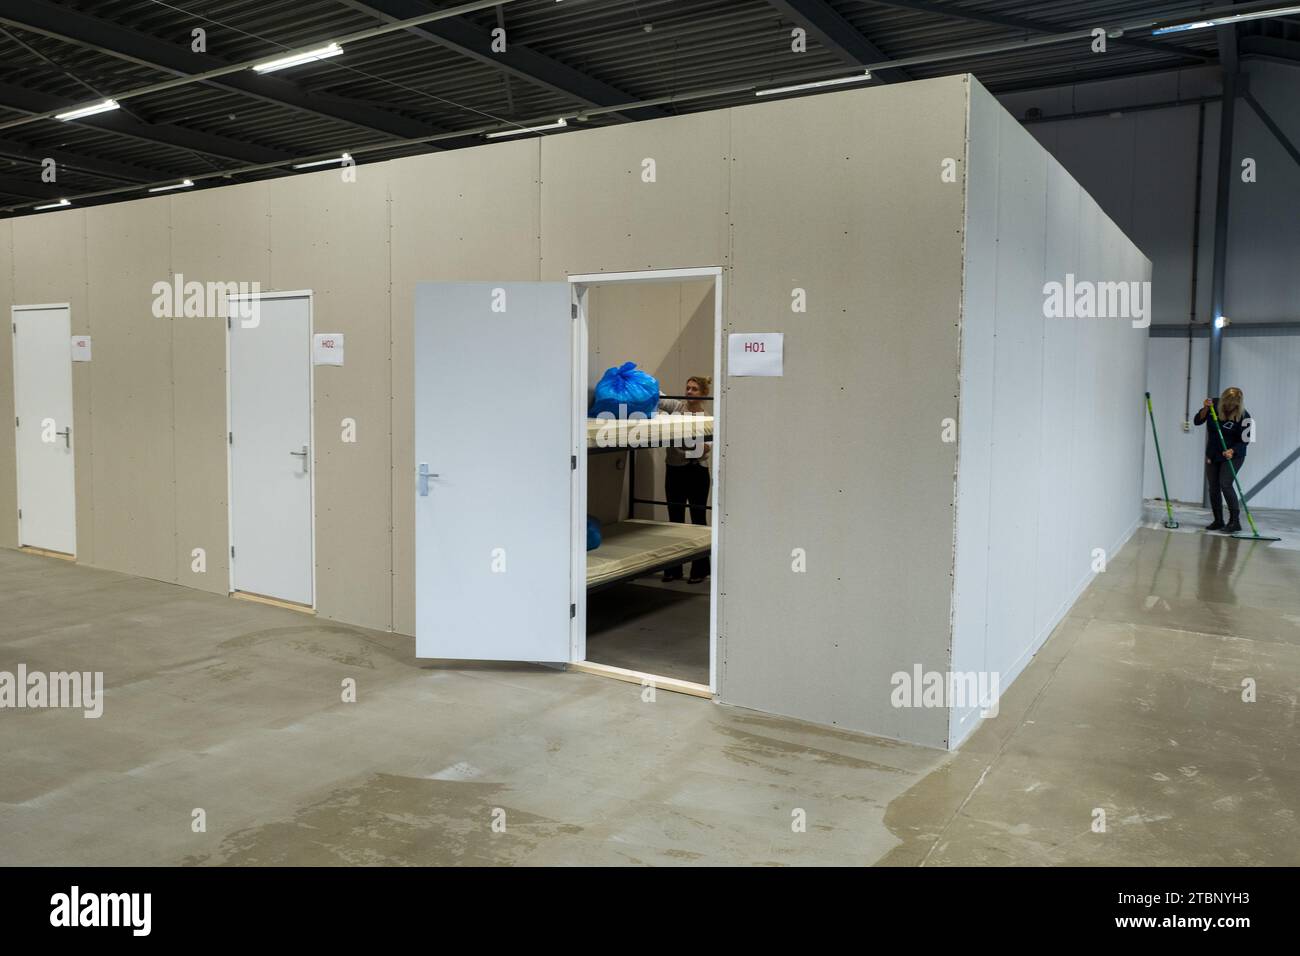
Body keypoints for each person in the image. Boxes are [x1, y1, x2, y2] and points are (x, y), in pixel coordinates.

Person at [658, 376, 712, 583]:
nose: (689, 391)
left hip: (698, 472)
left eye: (694, 389)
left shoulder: (707, 418)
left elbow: (704, 451)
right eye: (687, 387)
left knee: (698, 519)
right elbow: (659, 398)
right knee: (675, 519)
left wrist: (690, 447)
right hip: (675, 471)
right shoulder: (677, 407)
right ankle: (674, 568)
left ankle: (700, 569)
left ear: (703, 394)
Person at [1193, 387, 1252, 534]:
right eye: (1226, 402)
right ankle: (1218, 520)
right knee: (1213, 487)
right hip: (1213, 453)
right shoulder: (1213, 405)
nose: (1228, 406)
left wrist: (1232, 450)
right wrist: (1205, 409)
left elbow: (1246, 440)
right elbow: (1197, 421)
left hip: (1234, 455)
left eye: (1232, 404)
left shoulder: (1245, 416)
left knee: (1225, 484)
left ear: (1238, 404)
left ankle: (1235, 522)